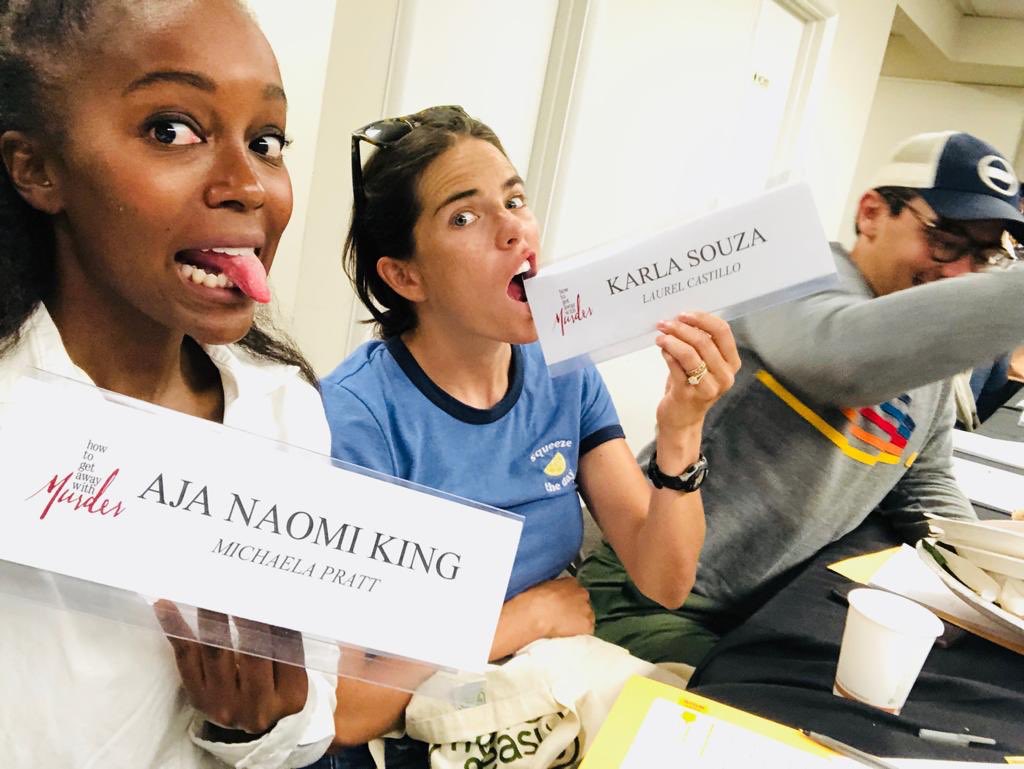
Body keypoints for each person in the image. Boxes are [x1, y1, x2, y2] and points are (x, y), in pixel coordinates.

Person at [315, 105, 740, 766]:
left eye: (514, 201)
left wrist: (682, 428)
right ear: (405, 276)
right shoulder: (356, 415)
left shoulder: (563, 368)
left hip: (544, 696)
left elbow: (664, 578)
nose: (514, 227)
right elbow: (346, 707)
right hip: (413, 733)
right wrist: (528, 617)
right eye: (464, 217)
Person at [0, 1, 338, 765]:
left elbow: (313, 710)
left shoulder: (284, 410)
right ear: (37, 168)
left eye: (266, 141)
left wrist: (258, 723)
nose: (248, 185)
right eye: (172, 130)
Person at [580, 130, 1024, 666]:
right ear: (871, 212)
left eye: (983, 256)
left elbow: (923, 483)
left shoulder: (927, 355)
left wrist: (996, 566)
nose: (959, 273)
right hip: (650, 596)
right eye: (946, 240)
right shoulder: (788, 276)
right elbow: (843, 359)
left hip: (764, 610)